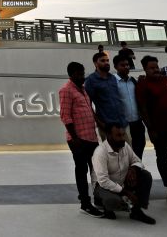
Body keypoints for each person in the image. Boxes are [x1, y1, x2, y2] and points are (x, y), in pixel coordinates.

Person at [135, 55, 167, 207]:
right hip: (159, 131)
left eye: (156, 67)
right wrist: (150, 129)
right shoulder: (143, 85)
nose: (155, 70)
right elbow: (143, 109)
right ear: (145, 69)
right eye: (151, 68)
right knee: (163, 159)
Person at [59, 61, 103, 217]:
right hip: (78, 140)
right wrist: (75, 138)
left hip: (91, 137)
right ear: (71, 74)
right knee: (82, 170)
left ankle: (99, 198)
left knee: (97, 170)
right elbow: (65, 116)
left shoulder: (83, 90)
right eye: (78, 74)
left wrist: (98, 123)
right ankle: (85, 203)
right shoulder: (66, 90)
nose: (82, 76)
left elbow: (90, 110)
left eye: (83, 73)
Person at [92, 123, 156, 224]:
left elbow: (137, 161)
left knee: (145, 176)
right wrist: (126, 193)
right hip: (102, 187)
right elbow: (103, 181)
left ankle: (136, 211)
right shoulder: (100, 153)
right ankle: (104, 204)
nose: (122, 138)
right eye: (118, 135)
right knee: (113, 202)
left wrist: (133, 168)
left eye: (123, 134)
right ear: (109, 135)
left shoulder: (124, 145)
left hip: (121, 182)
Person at [84, 52, 125, 140]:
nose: (106, 62)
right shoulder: (91, 80)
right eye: (102, 61)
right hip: (107, 125)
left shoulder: (112, 78)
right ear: (95, 63)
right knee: (111, 152)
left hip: (121, 122)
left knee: (127, 151)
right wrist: (99, 123)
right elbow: (88, 104)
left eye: (107, 60)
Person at [113, 55, 145, 160]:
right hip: (123, 124)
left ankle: (137, 170)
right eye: (122, 65)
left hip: (137, 122)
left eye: (127, 65)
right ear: (115, 67)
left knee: (139, 149)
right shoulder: (113, 83)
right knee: (125, 152)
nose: (126, 67)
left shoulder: (133, 81)